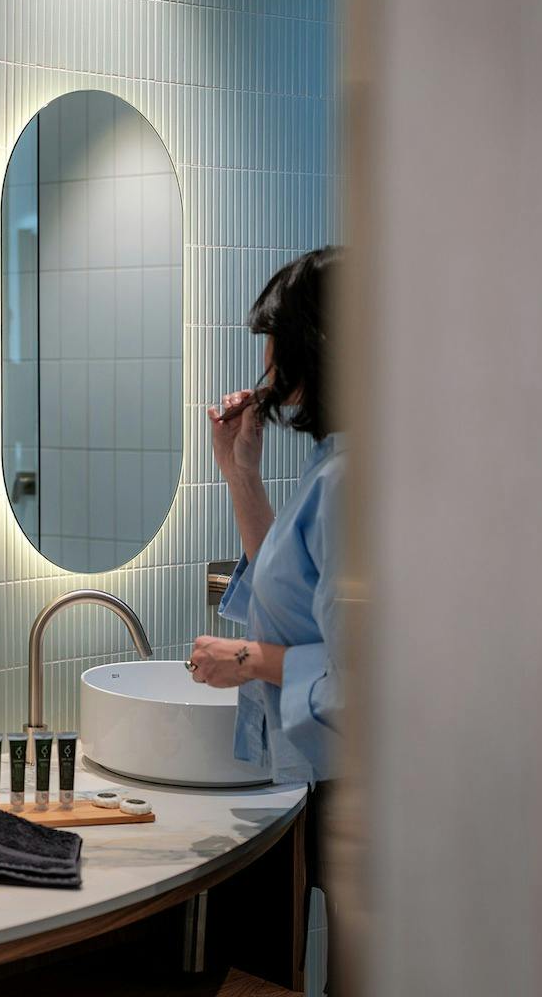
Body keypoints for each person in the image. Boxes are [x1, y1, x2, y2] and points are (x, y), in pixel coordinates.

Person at [187, 247, 344, 787]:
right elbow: (291, 595)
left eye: (273, 339)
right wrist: (240, 474)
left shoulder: (350, 480)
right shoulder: (331, 467)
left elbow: (363, 682)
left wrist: (247, 658)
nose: (266, 360)